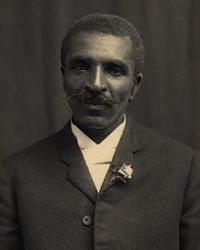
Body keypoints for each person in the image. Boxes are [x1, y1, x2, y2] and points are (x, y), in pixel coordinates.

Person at [0, 13, 199, 250]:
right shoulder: (16, 175)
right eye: (81, 66)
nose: (95, 84)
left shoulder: (183, 168)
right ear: (63, 76)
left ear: (134, 85)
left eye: (114, 70)